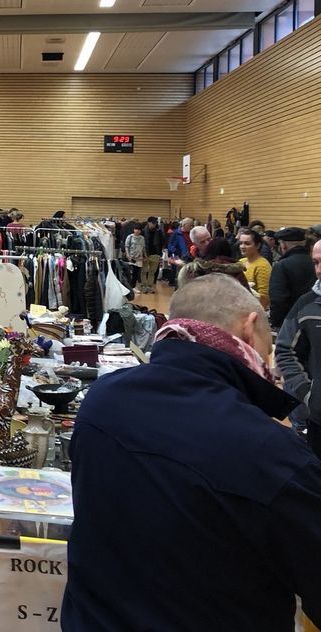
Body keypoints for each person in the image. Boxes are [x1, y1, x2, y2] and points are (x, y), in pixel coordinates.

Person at [62, 274, 319, 631]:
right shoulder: (270, 452)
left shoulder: (103, 400)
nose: (269, 356)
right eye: (269, 342)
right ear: (251, 327)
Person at [276, 240, 321, 455]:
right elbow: (285, 350)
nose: (319, 270)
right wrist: (308, 393)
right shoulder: (307, 304)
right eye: (316, 262)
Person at [271, 227, 315, 328]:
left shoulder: (281, 266)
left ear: (284, 245)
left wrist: (276, 324)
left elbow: (278, 300)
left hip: (289, 323)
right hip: (313, 320)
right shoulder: (315, 262)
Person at [237, 228, 271, 309]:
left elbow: (264, 298)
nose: (242, 246)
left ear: (258, 245)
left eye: (247, 243)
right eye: (241, 243)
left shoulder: (263, 265)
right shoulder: (241, 261)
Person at [139, 216, 164, 294]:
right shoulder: (143, 232)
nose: (154, 225)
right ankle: (143, 286)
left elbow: (162, 242)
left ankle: (150, 286)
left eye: (155, 223)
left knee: (152, 272)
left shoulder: (159, 232)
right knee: (144, 271)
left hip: (155, 254)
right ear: (148, 223)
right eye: (153, 223)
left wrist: (160, 253)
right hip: (145, 254)